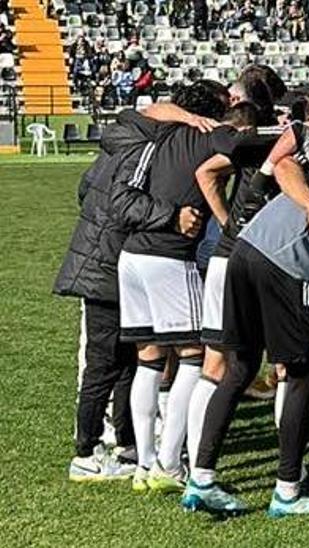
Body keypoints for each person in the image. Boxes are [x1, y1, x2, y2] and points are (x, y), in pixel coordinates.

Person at [182, 84, 309, 517]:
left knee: (240, 367)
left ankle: (201, 478)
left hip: (245, 250)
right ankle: (287, 490)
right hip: (286, 262)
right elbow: (286, 162)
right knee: (300, 373)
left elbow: (283, 165)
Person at [55, 99, 208, 482]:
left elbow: (86, 192)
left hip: (105, 260)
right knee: (104, 364)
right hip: (106, 266)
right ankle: (85, 454)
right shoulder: (141, 150)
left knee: (126, 360)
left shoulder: (119, 141)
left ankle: (125, 445)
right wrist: (171, 216)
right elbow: (124, 205)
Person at [113, 80, 238, 494]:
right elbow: (249, 143)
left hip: (131, 256)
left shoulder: (160, 131)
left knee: (148, 358)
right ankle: (169, 463)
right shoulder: (213, 136)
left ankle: (144, 464)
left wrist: (182, 114)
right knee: (193, 355)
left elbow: (143, 111)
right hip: (169, 256)